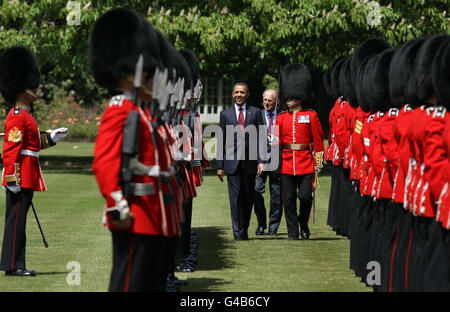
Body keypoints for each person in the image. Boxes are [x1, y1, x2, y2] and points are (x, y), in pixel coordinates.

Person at [89, 8, 172, 292]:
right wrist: (115, 201)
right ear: (129, 72)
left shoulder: (142, 111)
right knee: (128, 285)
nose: (152, 79)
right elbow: (104, 161)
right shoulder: (120, 110)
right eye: (147, 73)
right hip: (132, 215)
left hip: (151, 214)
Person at [0, 46, 68, 277]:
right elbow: (11, 150)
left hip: (28, 174)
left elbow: (32, 145)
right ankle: (13, 265)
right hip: (20, 176)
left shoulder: (26, 114)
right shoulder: (17, 115)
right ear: (21, 87)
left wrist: (51, 138)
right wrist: (12, 178)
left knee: (19, 222)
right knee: (16, 222)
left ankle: (15, 264)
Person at [274, 64, 324, 240]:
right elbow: (275, 142)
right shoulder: (280, 118)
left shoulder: (311, 116)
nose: (288, 99)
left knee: (304, 197)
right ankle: (293, 232)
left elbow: (318, 142)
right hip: (287, 164)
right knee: (288, 200)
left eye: (292, 95)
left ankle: (303, 222)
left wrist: (318, 163)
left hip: (306, 164)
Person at [216, 82, 264, 240]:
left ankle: (244, 230)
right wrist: (220, 166)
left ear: (247, 94)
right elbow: (221, 140)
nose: (239, 95)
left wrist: (261, 161)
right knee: (235, 199)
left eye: (242, 92)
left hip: (250, 164)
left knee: (248, 198)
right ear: (232, 94)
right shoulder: (225, 114)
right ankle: (237, 233)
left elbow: (262, 139)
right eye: (236, 92)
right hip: (232, 164)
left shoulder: (256, 112)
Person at [253, 89, 282, 236]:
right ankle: (261, 223)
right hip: (260, 161)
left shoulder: (282, 115)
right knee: (256, 191)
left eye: (270, 100)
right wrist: (260, 160)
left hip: (278, 160)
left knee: (277, 195)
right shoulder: (257, 114)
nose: (267, 103)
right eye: (265, 100)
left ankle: (273, 227)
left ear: (276, 101)